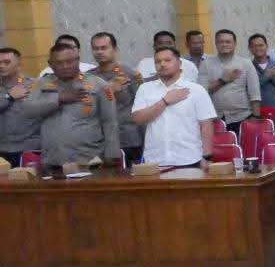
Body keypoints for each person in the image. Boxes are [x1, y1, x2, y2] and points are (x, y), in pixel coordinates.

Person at [25, 42, 119, 171]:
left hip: (89, 160)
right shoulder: (40, 84)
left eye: (69, 61)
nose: (65, 66)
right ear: (50, 64)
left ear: (78, 60)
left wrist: (112, 155)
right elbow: (27, 110)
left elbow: (110, 122)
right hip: (53, 160)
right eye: (59, 63)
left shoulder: (99, 85)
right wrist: (59, 99)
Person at [130, 47, 217, 168]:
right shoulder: (145, 89)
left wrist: (206, 156)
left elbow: (206, 125)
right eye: (158, 61)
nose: (162, 64)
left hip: (190, 158)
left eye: (167, 60)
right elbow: (137, 119)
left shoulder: (196, 90)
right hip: (154, 160)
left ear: (179, 63)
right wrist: (164, 102)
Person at [86, 32, 142, 164]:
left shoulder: (130, 74)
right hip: (99, 140)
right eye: (95, 48)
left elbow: (142, 106)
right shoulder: (88, 78)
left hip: (128, 139)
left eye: (104, 48)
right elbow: (85, 108)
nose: (99, 52)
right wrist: (108, 90)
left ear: (115, 49)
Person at [198, 30, 261, 135]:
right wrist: (222, 81)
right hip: (215, 119)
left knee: (244, 145)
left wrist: (256, 117)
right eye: (221, 42)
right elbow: (201, 91)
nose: (224, 44)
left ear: (234, 44)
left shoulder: (246, 63)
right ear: (216, 43)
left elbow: (255, 93)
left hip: (242, 117)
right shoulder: (206, 64)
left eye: (228, 42)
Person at [0, 46, 43, 166]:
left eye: (6, 62)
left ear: (18, 64)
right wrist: (9, 96)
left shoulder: (36, 85)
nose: (1, 66)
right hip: (2, 150)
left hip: (29, 149)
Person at [250, 33, 275, 115]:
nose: (258, 48)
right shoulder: (248, 67)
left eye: (261, 45)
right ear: (250, 48)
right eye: (254, 46)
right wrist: (265, 77)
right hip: (257, 113)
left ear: (266, 46)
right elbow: (248, 90)